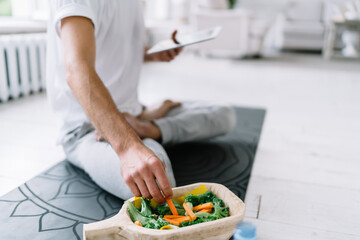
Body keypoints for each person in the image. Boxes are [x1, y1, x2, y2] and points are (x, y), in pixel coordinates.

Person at [46, 0, 236, 203]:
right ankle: (140, 130)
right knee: (157, 186)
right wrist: (128, 148)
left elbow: (114, 48)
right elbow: (77, 69)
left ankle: (147, 128)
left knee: (224, 114)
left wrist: (154, 52)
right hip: (89, 129)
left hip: (134, 114)